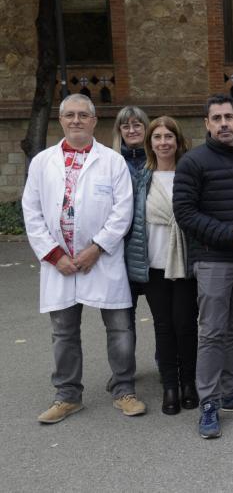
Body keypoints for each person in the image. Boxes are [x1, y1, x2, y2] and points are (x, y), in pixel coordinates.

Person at [22, 93, 146, 423]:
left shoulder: (112, 161)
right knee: (63, 331)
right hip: (59, 264)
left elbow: (123, 211)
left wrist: (97, 248)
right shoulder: (42, 162)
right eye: (70, 115)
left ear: (93, 121)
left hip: (102, 259)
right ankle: (67, 396)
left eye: (83, 115)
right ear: (60, 120)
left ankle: (124, 390)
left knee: (119, 328)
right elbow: (31, 211)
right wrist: (54, 255)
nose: (76, 120)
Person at [173, 94, 233, 439]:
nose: (224, 123)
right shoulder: (192, 162)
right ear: (207, 124)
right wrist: (229, 235)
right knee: (212, 332)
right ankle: (209, 403)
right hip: (214, 259)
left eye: (229, 117)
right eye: (217, 118)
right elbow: (185, 213)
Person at [125, 116, 199, 415]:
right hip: (153, 264)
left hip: (185, 264)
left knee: (186, 324)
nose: (163, 142)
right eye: (157, 137)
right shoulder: (141, 179)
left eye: (169, 136)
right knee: (163, 326)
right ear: (150, 143)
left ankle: (188, 382)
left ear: (178, 141)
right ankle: (170, 385)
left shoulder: (190, 174)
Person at [113, 106, 150, 344]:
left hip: (153, 248)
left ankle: (166, 362)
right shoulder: (111, 163)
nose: (132, 130)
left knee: (164, 318)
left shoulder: (159, 159)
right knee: (123, 320)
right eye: (125, 126)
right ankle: (125, 364)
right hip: (121, 252)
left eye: (137, 125)